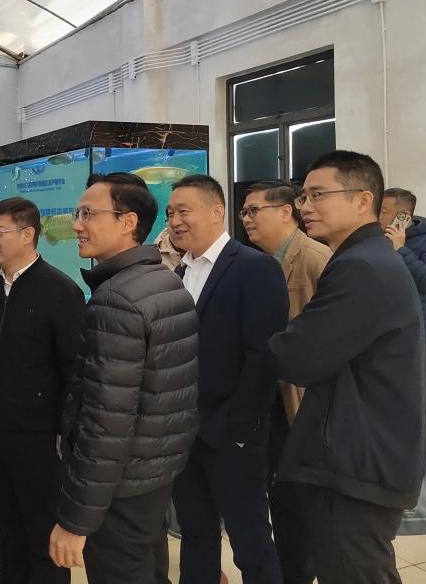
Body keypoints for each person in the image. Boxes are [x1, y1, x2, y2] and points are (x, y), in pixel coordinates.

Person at [268, 151, 425, 584]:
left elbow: (298, 357)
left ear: (362, 200)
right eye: (303, 196)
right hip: (360, 450)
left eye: (319, 194)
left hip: (356, 461)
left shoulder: (362, 267)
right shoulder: (362, 258)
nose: (305, 206)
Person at [49, 172, 199, 584]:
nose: (77, 225)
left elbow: (106, 421)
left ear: (127, 222)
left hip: (119, 487)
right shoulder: (165, 280)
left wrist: (76, 520)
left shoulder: (116, 298)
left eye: (88, 214)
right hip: (153, 474)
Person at [0, 197, 86, 584]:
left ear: (28, 235)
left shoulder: (60, 291)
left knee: (41, 528)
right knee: (4, 521)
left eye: (0, 232)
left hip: (37, 438)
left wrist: (66, 430)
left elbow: (74, 370)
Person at [167, 174, 288, 584]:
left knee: (250, 541)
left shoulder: (255, 267)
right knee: (195, 534)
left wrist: (237, 426)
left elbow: (264, 355)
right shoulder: (179, 271)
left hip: (232, 436)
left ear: (216, 211)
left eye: (184, 211)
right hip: (184, 433)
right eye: (170, 213)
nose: (175, 221)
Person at [240, 180, 331, 584]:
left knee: (298, 505)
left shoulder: (315, 258)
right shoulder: (257, 262)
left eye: (254, 210)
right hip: (269, 399)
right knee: (276, 498)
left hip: (301, 402)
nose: (247, 219)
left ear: (285, 212)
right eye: (244, 212)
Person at [380, 187, 426, 483]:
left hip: (416, 335)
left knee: (424, 399)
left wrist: (401, 249)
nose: (378, 216)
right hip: (383, 332)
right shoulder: (378, 241)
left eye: (384, 211)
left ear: (403, 215)